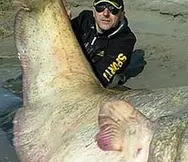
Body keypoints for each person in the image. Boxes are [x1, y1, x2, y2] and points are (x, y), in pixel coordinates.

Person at [0, 0, 146, 143]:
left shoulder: (125, 40)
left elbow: (101, 77)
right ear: (94, 10)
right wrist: (62, 25)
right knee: (16, 88)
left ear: (121, 14)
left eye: (113, 9)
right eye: (101, 7)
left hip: (95, 79)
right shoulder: (85, 19)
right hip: (68, 66)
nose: (105, 13)